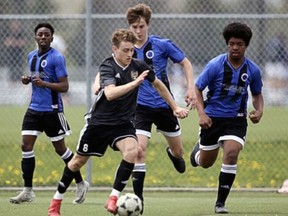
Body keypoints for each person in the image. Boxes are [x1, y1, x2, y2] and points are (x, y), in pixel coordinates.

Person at [47, 28, 189, 216]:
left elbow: (159, 85)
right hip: (99, 123)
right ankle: (56, 202)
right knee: (76, 163)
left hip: (122, 123)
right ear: (114, 49)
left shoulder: (138, 65)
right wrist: (134, 83)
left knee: (133, 151)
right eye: (125, 50)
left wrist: (174, 107)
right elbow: (110, 93)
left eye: (132, 50)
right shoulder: (108, 66)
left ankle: (113, 198)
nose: (129, 54)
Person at [125, 3, 197, 212]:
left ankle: (173, 154)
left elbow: (186, 62)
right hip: (140, 107)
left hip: (165, 105)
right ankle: (138, 201)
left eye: (141, 26)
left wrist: (191, 87)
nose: (137, 31)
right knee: (139, 150)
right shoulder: (126, 49)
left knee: (179, 150)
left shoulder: (162, 45)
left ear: (147, 25)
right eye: (134, 27)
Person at [9, 23, 89, 204]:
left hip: (52, 110)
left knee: (60, 149)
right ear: (35, 38)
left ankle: (81, 183)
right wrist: (27, 80)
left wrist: (44, 84)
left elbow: (64, 86)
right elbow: (37, 78)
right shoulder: (31, 56)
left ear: (52, 38)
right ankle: (28, 190)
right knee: (25, 145)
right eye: (40, 34)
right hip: (34, 109)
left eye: (47, 35)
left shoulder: (57, 58)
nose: (43, 37)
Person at [190, 22, 264, 214]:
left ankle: (220, 203)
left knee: (231, 154)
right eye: (231, 44)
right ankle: (196, 155)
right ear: (227, 44)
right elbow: (198, 88)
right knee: (206, 163)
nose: (235, 48)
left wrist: (259, 110)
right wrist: (202, 114)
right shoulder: (215, 65)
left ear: (245, 45)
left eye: (239, 44)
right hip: (212, 119)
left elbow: (257, 94)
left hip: (236, 119)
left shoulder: (252, 70)